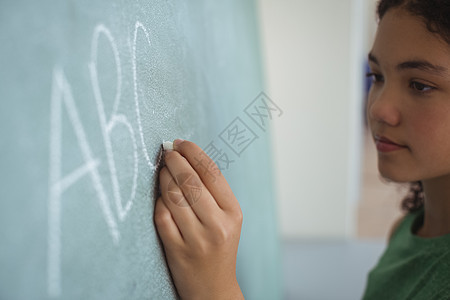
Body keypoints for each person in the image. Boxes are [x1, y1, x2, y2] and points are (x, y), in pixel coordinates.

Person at [154, 0, 450, 298]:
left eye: (420, 85)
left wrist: (214, 288)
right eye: (377, 76)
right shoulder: (411, 227)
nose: (378, 108)